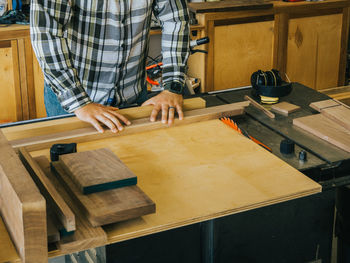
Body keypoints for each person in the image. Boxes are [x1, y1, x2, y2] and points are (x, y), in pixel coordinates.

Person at [30, 0, 190, 133]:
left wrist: (172, 86)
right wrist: (79, 103)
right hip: (74, 100)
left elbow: (175, 20)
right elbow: (45, 34)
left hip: (132, 94)